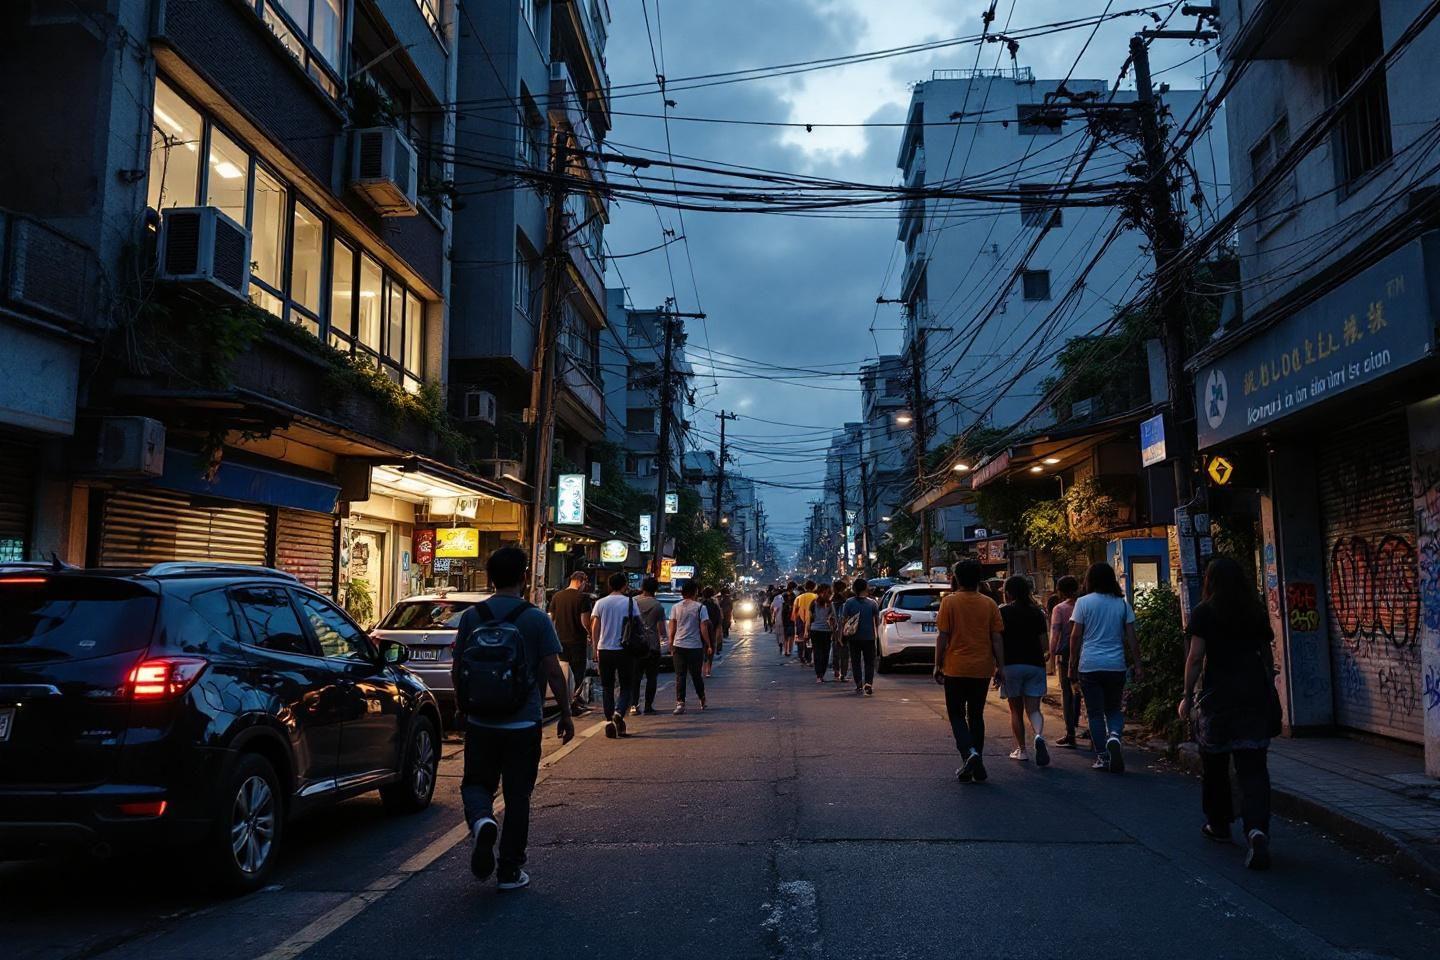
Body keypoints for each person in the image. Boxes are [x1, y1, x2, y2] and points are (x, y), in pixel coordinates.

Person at [455, 547, 574, 892]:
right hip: (523, 723)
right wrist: (565, 714)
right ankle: (509, 870)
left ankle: (481, 821)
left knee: (476, 783)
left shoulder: (472, 617)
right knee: (518, 795)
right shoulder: (536, 618)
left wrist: (464, 708)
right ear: (524, 577)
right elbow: (554, 672)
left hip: (481, 721)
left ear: (490, 577)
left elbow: (458, 667)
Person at [1179, 556, 1281, 870]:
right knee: (1254, 769)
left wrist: (1186, 695)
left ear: (1209, 581)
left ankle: (1219, 825)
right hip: (1253, 698)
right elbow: (1266, 656)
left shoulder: (1204, 612)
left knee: (1215, 765)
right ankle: (1256, 829)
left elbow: (1196, 658)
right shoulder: (1255, 610)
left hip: (1217, 700)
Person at [934, 559, 1005, 784]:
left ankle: (969, 754)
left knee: (956, 714)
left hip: (955, 667)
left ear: (956, 578)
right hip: (981, 668)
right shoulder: (989, 603)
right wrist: (1000, 666)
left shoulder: (949, 603)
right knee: (976, 715)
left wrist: (937, 664)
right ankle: (977, 761)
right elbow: (996, 637)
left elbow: (943, 636)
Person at [1069, 562, 1143, 772]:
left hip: (1090, 665)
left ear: (1089, 579)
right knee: (1113, 708)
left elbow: (1075, 637)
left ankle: (1102, 756)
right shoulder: (1122, 604)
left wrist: (1071, 666)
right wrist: (1138, 665)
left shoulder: (1083, 603)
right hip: (1115, 665)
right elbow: (1132, 638)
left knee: (1094, 713)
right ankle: (1115, 737)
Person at [999, 575, 1051, 766]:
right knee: (1034, 709)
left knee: (1015, 710)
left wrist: (998, 665)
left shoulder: (1002, 612)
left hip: (1011, 665)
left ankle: (1022, 750)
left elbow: (997, 640)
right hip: (1035, 664)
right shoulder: (1037, 612)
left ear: (1008, 593)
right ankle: (1038, 735)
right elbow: (1045, 644)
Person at [588, 572, 638, 739]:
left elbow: (595, 626)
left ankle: (609, 720)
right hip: (625, 650)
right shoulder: (630, 602)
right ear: (624, 585)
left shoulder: (601, 603)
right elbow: (638, 624)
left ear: (610, 585)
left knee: (607, 687)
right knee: (626, 686)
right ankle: (619, 713)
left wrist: (596, 648)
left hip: (605, 649)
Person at [548, 571, 593, 714]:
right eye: (585, 583)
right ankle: (574, 701)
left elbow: (551, 619)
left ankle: (568, 700)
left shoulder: (557, 596)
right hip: (577, 641)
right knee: (578, 672)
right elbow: (584, 621)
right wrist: (590, 634)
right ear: (580, 581)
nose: (584, 586)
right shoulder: (583, 598)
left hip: (560, 641)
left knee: (565, 673)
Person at [667, 581, 711, 713]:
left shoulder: (676, 607)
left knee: (680, 675)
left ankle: (680, 703)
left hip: (678, 645)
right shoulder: (700, 608)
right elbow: (704, 627)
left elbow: (672, 626)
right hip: (695, 647)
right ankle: (702, 699)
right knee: (696, 675)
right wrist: (708, 644)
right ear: (695, 592)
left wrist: (671, 642)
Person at [1049, 576, 1081, 747]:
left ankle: (1070, 733)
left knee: (1067, 692)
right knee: (1083, 692)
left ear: (1060, 590)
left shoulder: (1059, 609)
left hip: (1066, 655)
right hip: (1085, 653)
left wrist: (1051, 654)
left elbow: (1055, 635)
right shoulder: (1084, 605)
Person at [628, 577, 665, 716]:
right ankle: (648, 706)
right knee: (651, 678)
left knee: (635, 677)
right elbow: (662, 630)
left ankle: (633, 705)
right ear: (655, 589)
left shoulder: (633, 602)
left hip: (635, 644)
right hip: (652, 646)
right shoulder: (658, 606)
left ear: (642, 587)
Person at [841, 577, 882, 695]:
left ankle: (859, 683)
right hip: (869, 637)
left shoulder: (849, 603)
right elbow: (877, 621)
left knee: (855, 661)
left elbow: (844, 620)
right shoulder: (872, 603)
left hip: (854, 637)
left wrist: (843, 634)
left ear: (854, 589)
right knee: (869, 661)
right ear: (866, 588)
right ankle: (868, 683)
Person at [807, 583, 838, 684]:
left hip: (815, 630)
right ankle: (821, 675)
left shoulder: (813, 603)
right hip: (826, 631)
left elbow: (809, 618)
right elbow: (833, 618)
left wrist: (807, 630)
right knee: (825, 653)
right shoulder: (830, 604)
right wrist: (835, 630)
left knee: (817, 652)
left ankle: (818, 676)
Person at [793, 580, 818, 665]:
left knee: (801, 639)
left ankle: (801, 656)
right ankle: (809, 658)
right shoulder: (816, 597)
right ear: (814, 587)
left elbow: (794, 612)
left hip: (800, 620)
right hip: (812, 621)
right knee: (810, 640)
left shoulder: (799, 598)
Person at [701, 586, 724, 678]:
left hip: (701, 631)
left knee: (702, 650)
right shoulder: (715, 605)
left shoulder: (700, 605)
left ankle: (703, 668)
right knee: (710, 650)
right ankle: (708, 670)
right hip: (712, 631)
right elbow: (719, 620)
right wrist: (718, 633)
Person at [831, 579, 851, 682]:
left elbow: (830, 617)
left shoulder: (832, 600)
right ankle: (843, 674)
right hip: (844, 630)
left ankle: (836, 671)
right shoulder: (845, 601)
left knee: (836, 652)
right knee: (844, 654)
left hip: (834, 630)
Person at [770, 587, 787, 654]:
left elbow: (772, 608)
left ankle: (780, 644)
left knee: (778, 633)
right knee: (783, 634)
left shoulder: (776, 598)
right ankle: (783, 645)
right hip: (785, 620)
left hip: (778, 619)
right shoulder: (786, 598)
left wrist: (773, 617)